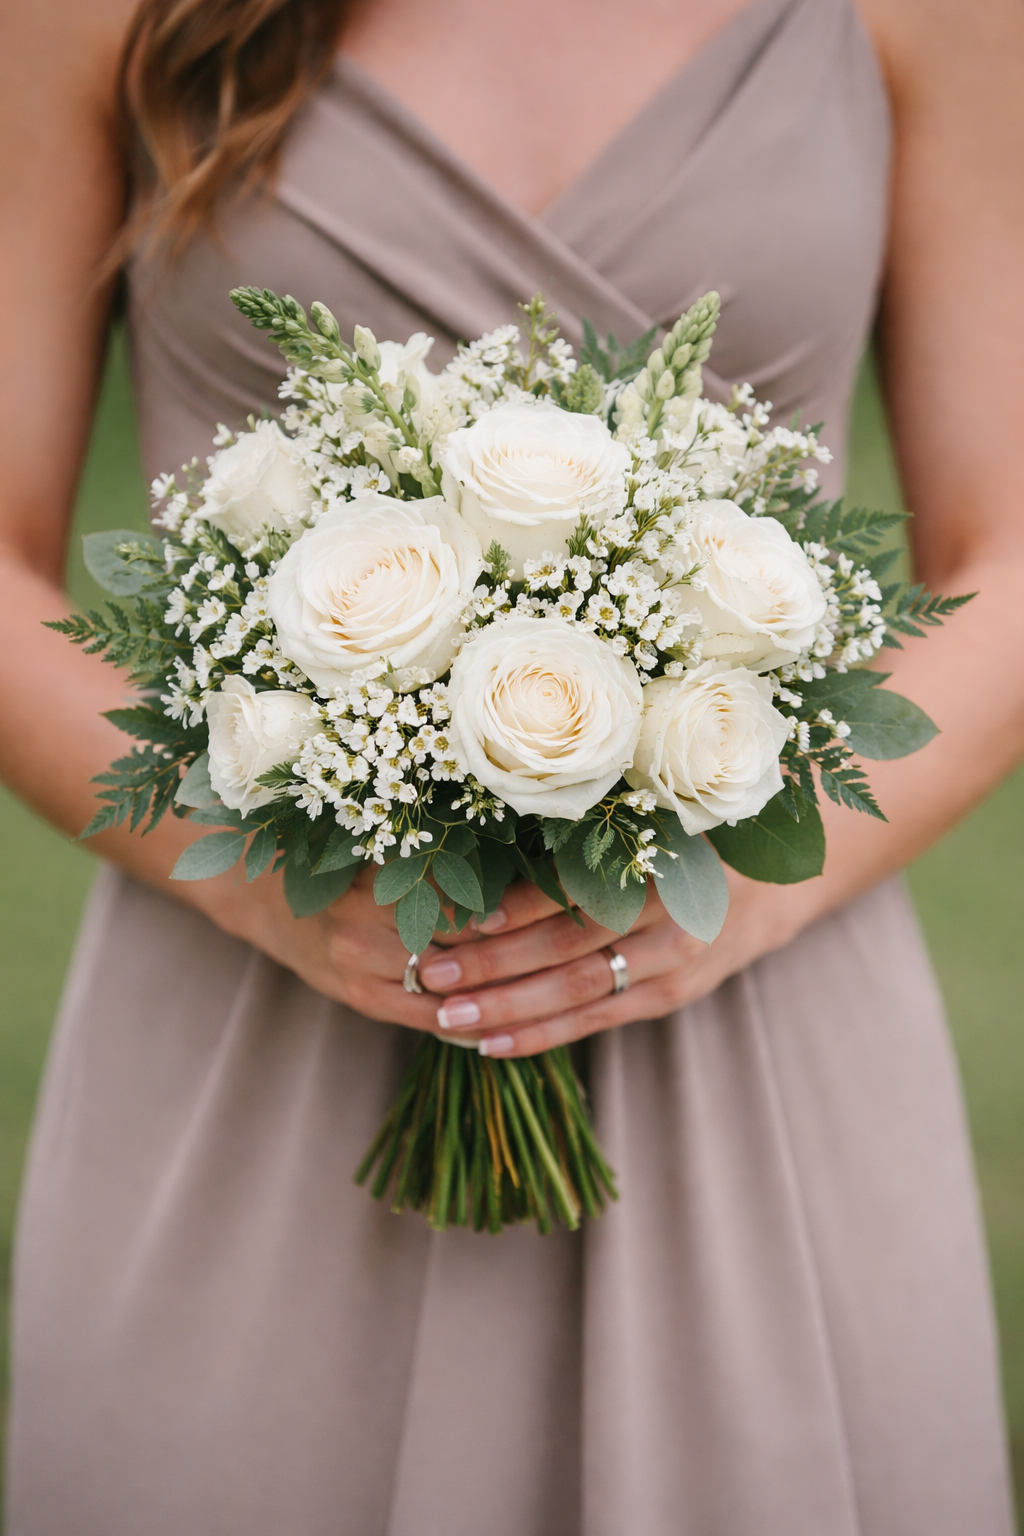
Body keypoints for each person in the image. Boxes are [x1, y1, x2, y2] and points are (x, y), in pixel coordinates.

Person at [2, 0, 1023, 1529]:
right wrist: (283, 902)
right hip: (251, 1029)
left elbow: (1007, 553)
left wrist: (739, 899)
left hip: (752, 1013)